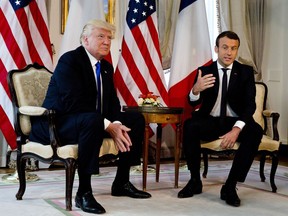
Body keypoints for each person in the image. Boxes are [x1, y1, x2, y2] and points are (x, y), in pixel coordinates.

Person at [29, 19, 151, 214]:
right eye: (101, 36)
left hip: (88, 122)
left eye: (109, 38)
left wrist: (116, 123)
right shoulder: (70, 61)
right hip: (57, 123)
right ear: (85, 40)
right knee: (93, 120)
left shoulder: (106, 67)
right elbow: (73, 103)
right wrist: (108, 125)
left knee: (136, 119)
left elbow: (111, 103)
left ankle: (121, 182)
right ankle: (84, 192)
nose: (107, 42)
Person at [178, 31, 263, 207]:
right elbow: (193, 101)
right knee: (190, 126)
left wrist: (237, 129)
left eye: (233, 48)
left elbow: (250, 106)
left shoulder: (245, 72)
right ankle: (195, 180)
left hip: (235, 121)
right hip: (211, 120)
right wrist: (195, 90)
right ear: (217, 48)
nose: (229, 52)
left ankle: (230, 186)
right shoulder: (205, 71)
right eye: (225, 47)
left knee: (255, 131)